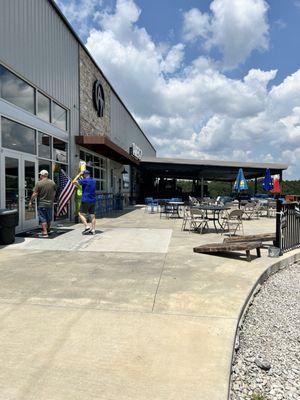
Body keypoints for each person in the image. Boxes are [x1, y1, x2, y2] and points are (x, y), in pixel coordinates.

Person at [29, 170, 56, 238]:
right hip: (50, 204)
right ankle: (48, 229)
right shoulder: (52, 182)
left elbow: (35, 193)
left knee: (43, 218)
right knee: (48, 218)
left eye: (40, 175)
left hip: (42, 204)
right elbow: (55, 192)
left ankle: (45, 232)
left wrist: (30, 201)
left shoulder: (39, 183)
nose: (39, 176)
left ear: (42, 175)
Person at [73, 170, 96, 235]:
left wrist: (79, 175)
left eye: (83, 175)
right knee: (92, 215)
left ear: (84, 175)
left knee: (80, 213)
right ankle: (93, 230)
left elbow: (73, 182)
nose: (82, 176)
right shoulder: (94, 180)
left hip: (86, 200)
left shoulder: (84, 180)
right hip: (93, 200)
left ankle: (87, 226)